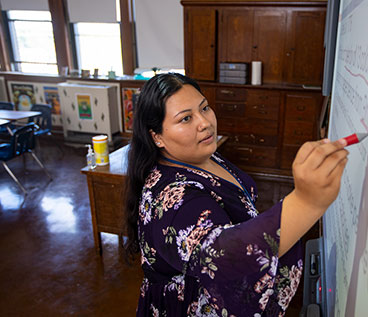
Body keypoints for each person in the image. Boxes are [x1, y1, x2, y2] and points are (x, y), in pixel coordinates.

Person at [124, 73, 349, 316]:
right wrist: (305, 202)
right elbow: (221, 256)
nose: (204, 122)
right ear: (156, 136)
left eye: (205, 108)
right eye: (186, 118)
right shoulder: (171, 199)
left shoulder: (201, 154)